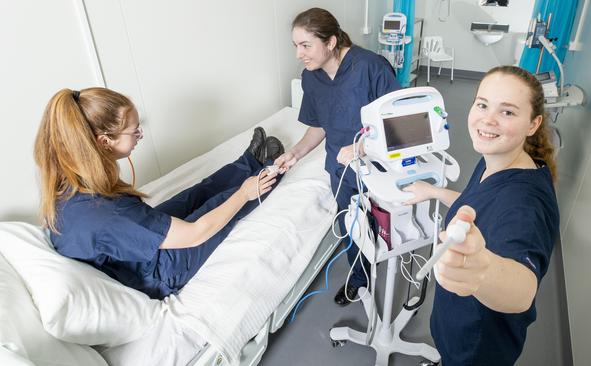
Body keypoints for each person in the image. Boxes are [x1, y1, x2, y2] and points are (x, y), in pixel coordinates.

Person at [34, 87, 285, 300]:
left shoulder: (70, 179)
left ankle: (248, 161)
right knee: (220, 205)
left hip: (126, 251)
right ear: (104, 141)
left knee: (192, 196)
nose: (139, 135)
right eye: (134, 131)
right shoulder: (107, 213)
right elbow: (195, 234)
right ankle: (270, 171)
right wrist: (243, 194)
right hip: (155, 274)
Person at [402, 65, 560, 365]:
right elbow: (475, 203)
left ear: (533, 123)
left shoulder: (525, 204)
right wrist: (434, 192)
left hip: (476, 346)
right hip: (457, 325)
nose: (488, 119)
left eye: (508, 112)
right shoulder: (500, 159)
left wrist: (481, 270)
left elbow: (523, 289)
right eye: (483, 104)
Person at [274, 8, 402, 306]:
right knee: (351, 225)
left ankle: (386, 261)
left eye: (305, 45)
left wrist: (361, 146)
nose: (298, 54)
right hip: (341, 168)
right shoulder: (311, 78)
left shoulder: (371, 67)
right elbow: (318, 125)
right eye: (295, 46)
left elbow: (395, 123)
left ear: (331, 42)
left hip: (377, 165)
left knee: (383, 224)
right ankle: (360, 277)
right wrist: (294, 153)